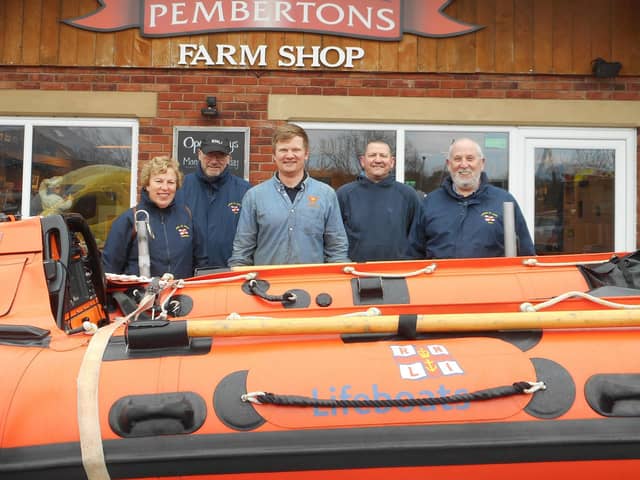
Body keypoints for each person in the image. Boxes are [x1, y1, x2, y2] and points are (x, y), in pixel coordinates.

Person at [228, 124, 349, 266]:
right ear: (274, 155)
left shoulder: (326, 194)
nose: (289, 155)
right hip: (266, 285)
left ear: (306, 154)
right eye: (283, 150)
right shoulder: (254, 196)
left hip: (312, 284)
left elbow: (337, 250)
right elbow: (242, 252)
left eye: (296, 150)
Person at [407, 138, 535, 259]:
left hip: (491, 281)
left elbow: (526, 254)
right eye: (457, 159)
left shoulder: (504, 201)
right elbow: (413, 255)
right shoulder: (430, 203)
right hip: (440, 281)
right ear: (449, 164)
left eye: (470, 158)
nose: (464, 164)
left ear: (482, 163)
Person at [102, 156, 206, 279]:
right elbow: (109, 271)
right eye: (159, 181)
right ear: (147, 185)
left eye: (171, 182)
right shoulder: (130, 219)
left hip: (180, 295)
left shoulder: (187, 216)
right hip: (139, 296)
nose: (165, 187)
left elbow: (201, 262)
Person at [336, 139, 422, 262]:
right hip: (355, 272)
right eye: (372, 155)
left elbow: (417, 238)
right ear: (362, 161)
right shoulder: (344, 194)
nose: (378, 160)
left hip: (398, 273)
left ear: (392, 162)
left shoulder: (408, 195)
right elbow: (334, 239)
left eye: (383, 156)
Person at [176, 137, 250, 269]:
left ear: (228, 158)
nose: (214, 161)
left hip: (229, 273)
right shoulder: (180, 187)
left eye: (220, 156)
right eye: (209, 155)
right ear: (199, 154)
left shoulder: (245, 191)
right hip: (187, 274)